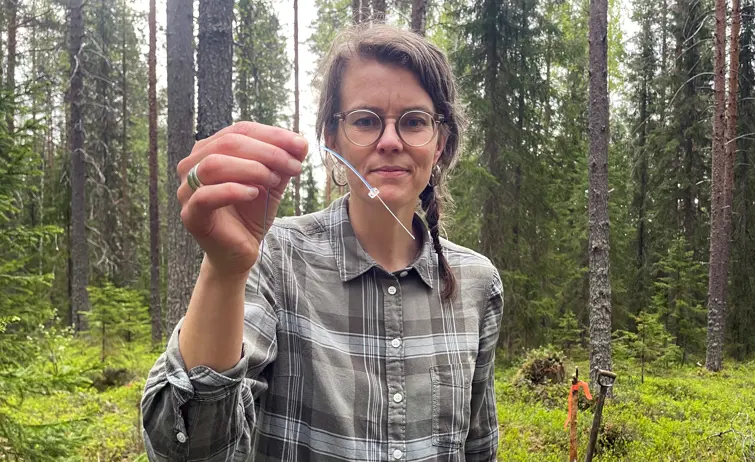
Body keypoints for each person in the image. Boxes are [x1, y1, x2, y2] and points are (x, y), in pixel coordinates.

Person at [140, 23, 504, 462]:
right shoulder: (275, 258)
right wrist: (223, 269)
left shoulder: (477, 284)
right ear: (332, 140)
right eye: (366, 121)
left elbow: (479, 449)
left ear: (440, 143)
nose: (390, 141)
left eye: (414, 121)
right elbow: (184, 450)